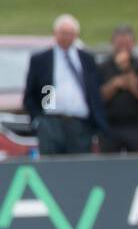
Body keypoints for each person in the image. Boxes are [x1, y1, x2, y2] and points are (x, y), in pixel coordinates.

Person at [22, 14, 108, 155]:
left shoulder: (86, 59)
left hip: (80, 124)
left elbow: (94, 92)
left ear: (76, 35)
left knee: (79, 167)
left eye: (70, 34)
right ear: (55, 34)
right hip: (51, 122)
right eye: (63, 33)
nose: (66, 37)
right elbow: (30, 94)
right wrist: (39, 120)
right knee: (52, 168)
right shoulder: (42, 60)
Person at [97, 24, 138, 152]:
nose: (123, 47)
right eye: (120, 43)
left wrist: (126, 70)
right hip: (109, 126)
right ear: (113, 43)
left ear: (134, 44)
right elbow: (99, 97)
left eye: (127, 43)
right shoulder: (103, 67)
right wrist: (115, 84)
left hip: (135, 125)